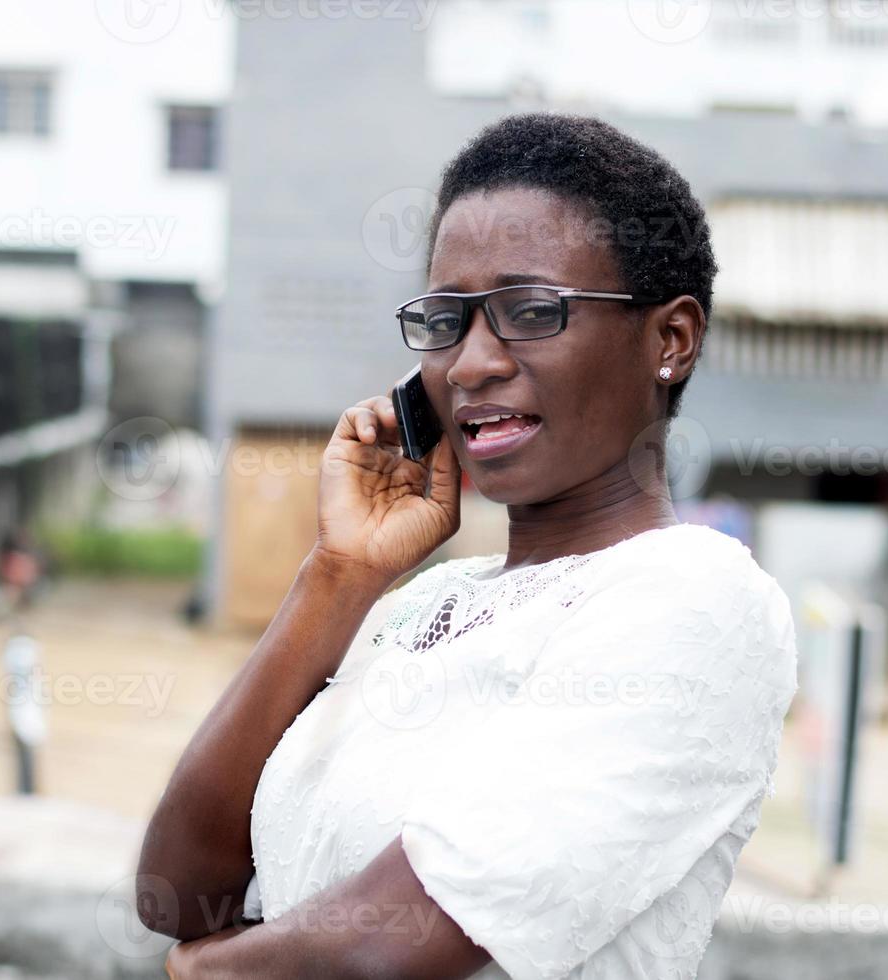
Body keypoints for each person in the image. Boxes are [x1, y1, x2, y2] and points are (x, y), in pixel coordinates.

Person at [137, 112, 799, 979]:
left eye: (530, 311)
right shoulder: (415, 609)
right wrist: (338, 576)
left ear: (670, 339)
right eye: (448, 320)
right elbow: (177, 892)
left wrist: (206, 972)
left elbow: (394, 940)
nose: (472, 363)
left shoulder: (696, 601)